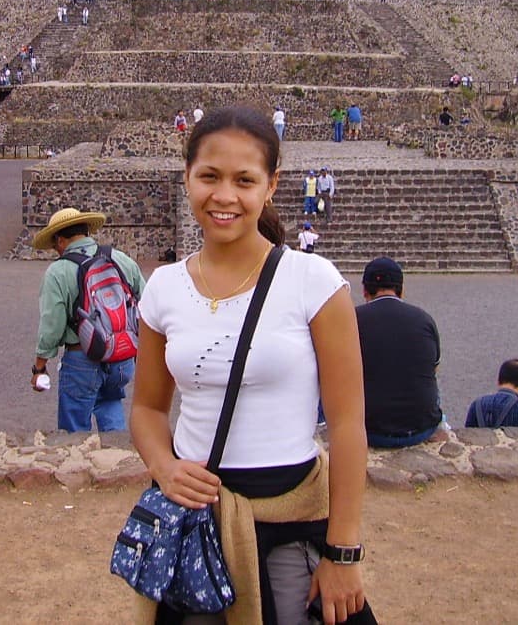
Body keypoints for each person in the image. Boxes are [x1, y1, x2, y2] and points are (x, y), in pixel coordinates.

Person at [130, 106, 369, 624]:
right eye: (209, 176)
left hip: (291, 519)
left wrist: (343, 552)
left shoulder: (315, 281)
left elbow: (349, 424)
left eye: (245, 180)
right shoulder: (164, 287)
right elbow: (148, 408)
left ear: (271, 185)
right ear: (188, 176)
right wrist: (163, 467)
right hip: (195, 520)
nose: (224, 196)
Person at [29, 207, 146, 432]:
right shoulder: (120, 259)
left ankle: (78, 464)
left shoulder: (58, 272)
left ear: (60, 240)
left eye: (55, 246)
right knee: (111, 405)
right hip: (121, 356)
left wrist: (40, 368)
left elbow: (51, 325)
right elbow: (147, 303)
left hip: (81, 356)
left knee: (74, 427)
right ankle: (117, 460)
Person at [356, 256, 445, 447]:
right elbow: (434, 368)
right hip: (421, 428)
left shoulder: (351, 319)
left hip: (366, 428)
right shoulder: (424, 320)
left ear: (364, 290)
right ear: (401, 290)